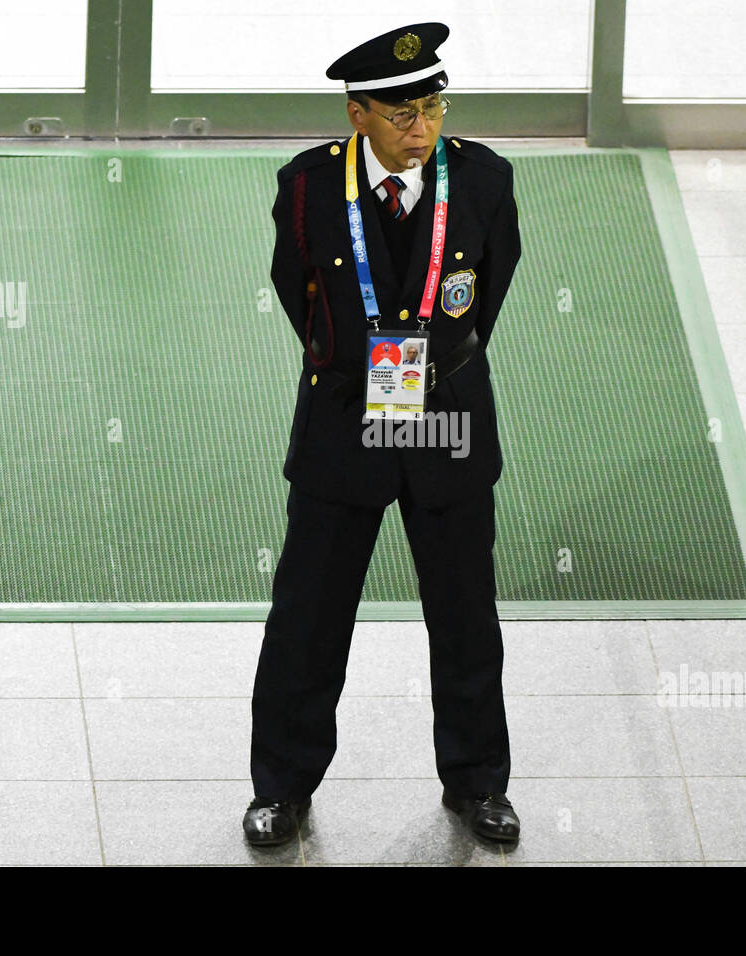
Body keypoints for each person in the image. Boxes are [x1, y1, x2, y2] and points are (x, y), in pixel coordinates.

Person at [245, 20, 523, 848]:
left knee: (466, 613)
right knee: (308, 618)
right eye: (402, 113)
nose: (422, 127)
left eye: (433, 106)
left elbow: (490, 286)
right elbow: (297, 293)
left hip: (447, 419)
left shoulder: (483, 180)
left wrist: (434, 367)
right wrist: (350, 365)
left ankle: (478, 784)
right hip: (343, 421)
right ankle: (282, 789)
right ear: (358, 111)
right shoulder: (307, 186)